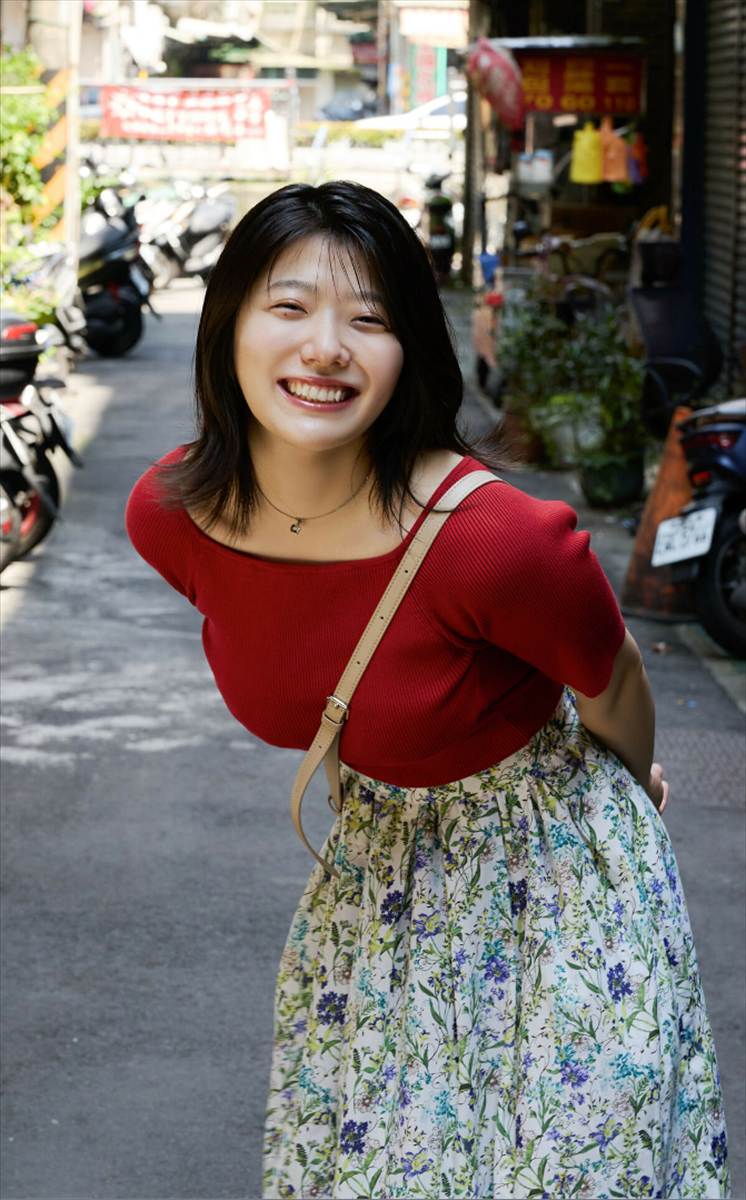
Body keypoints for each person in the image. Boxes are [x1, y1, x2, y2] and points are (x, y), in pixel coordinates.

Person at [125, 181, 729, 1200]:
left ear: (409, 350)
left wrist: (632, 793)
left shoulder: (497, 543)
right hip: (380, 884)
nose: (325, 347)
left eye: (369, 320)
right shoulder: (174, 515)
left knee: (565, 1172)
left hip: (558, 881)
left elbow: (613, 675)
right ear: (225, 325)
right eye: (289, 306)